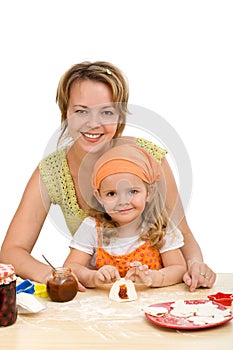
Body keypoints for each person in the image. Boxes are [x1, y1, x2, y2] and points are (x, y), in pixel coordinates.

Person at [0, 61, 215, 291]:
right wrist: (57, 275)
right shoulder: (52, 171)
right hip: (97, 297)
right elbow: (12, 251)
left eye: (107, 112)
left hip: (156, 296)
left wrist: (195, 265)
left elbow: (182, 234)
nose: (93, 124)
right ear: (65, 114)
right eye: (81, 111)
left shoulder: (150, 158)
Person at [64, 143, 187, 288]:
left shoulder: (160, 227)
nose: (123, 202)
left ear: (149, 192)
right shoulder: (92, 227)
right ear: (99, 197)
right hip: (104, 308)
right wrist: (93, 277)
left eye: (133, 191)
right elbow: (71, 267)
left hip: (150, 308)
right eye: (111, 194)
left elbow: (178, 268)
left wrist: (153, 277)